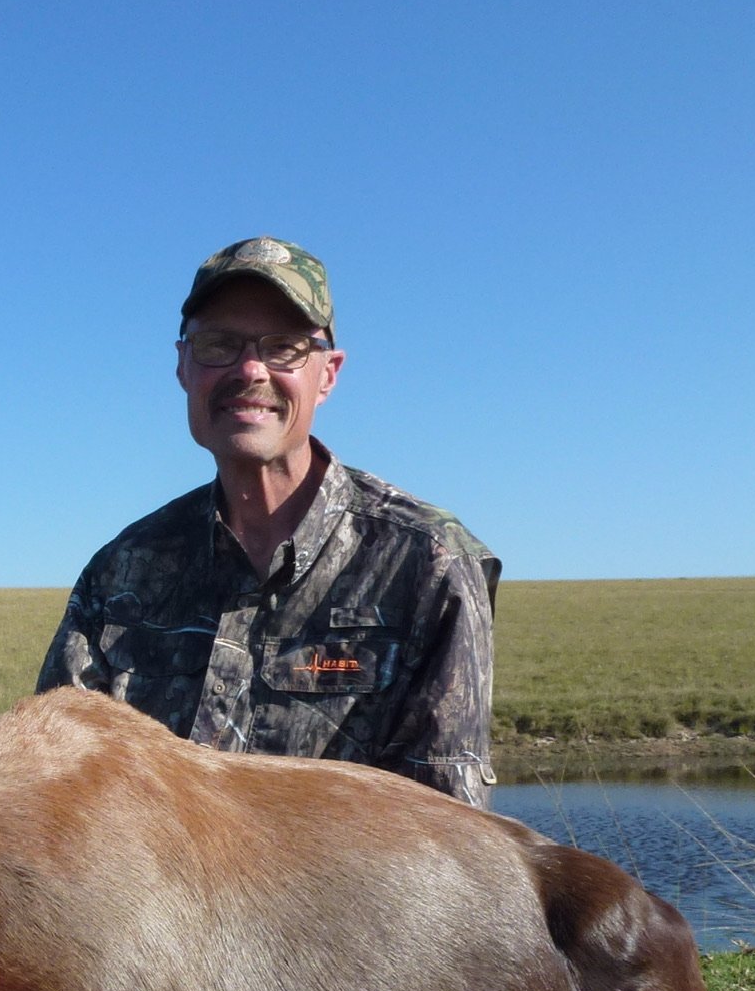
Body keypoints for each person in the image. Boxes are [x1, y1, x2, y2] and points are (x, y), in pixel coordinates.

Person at [37, 237, 501, 807]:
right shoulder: (119, 575)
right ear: (183, 366)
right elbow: (51, 797)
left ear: (328, 375)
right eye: (218, 345)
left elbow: (451, 839)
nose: (250, 369)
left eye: (284, 348)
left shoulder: (432, 564)